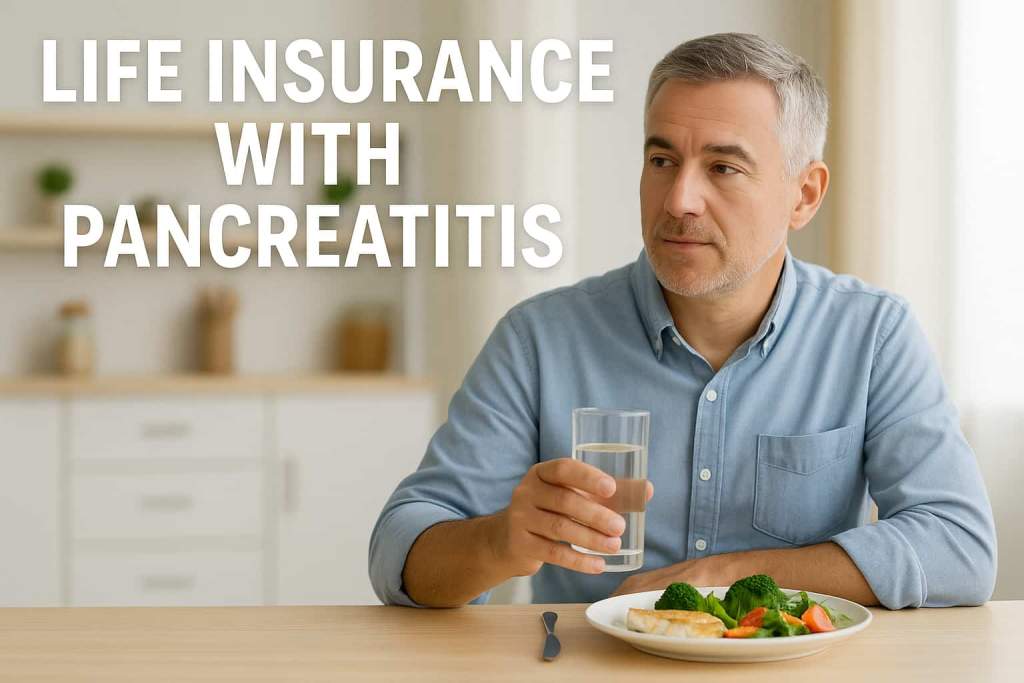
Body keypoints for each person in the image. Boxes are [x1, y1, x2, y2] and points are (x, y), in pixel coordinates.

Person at [368, 32, 997, 609]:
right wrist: (499, 541)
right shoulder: (540, 339)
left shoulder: (872, 336)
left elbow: (960, 549)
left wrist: (727, 575)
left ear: (804, 194)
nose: (678, 200)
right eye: (662, 160)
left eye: (723, 168)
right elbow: (401, 547)